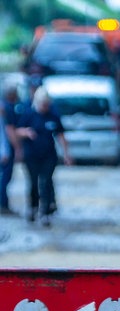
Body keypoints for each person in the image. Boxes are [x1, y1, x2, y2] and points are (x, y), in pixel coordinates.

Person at [15, 88, 73, 227]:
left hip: (48, 156)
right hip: (32, 156)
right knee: (33, 183)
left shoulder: (53, 116)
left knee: (46, 182)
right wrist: (26, 132)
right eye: (43, 104)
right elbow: (17, 130)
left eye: (47, 104)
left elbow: (61, 136)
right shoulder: (29, 115)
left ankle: (45, 212)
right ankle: (33, 207)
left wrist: (66, 154)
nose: (45, 107)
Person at [1, 81, 22, 216]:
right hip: (5, 149)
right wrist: (18, 148)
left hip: (4, 148)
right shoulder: (7, 108)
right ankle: (2, 204)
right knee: (4, 178)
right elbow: (9, 131)